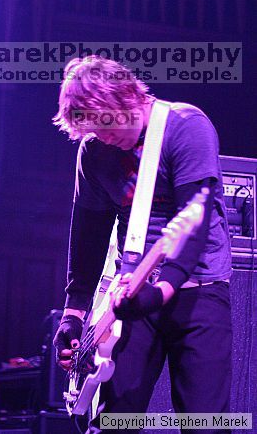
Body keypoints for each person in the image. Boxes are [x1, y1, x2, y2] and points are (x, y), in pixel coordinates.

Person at [53, 55, 232, 434]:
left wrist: (162, 290)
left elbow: (193, 221)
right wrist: (74, 313)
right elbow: (87, 235)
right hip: (128, 296)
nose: (101, 137)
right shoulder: (94, 151)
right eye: (91, 129)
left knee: (207, 426)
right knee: (115, 422)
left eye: (104, 123)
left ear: (126, 96)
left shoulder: (186, 127)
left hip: (197, 291)